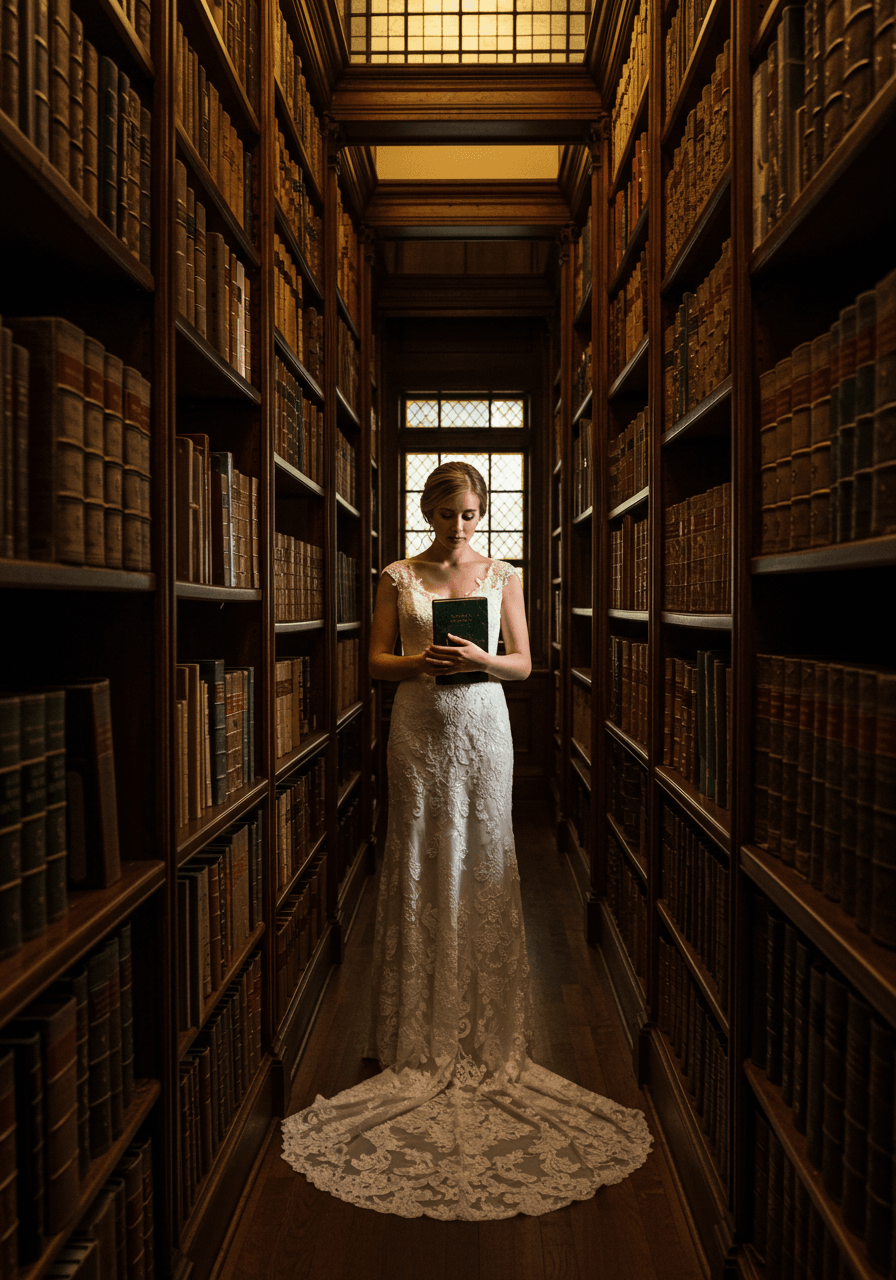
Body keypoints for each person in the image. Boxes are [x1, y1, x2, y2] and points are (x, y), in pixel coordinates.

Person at [281, 461, 651, 1219]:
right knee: (418, 866)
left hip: (485, 732)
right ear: (427, 514)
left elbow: (527, 661)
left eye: (471, 515)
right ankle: (415, 1031)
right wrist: (423, 663)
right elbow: (374, 662)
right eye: (448, 515)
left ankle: (486, 1033)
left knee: (485, 867)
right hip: (417, 732)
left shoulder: (503, 574)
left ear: (482, 516)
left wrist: (483, 662)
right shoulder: (397, 576)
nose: (460, 527)